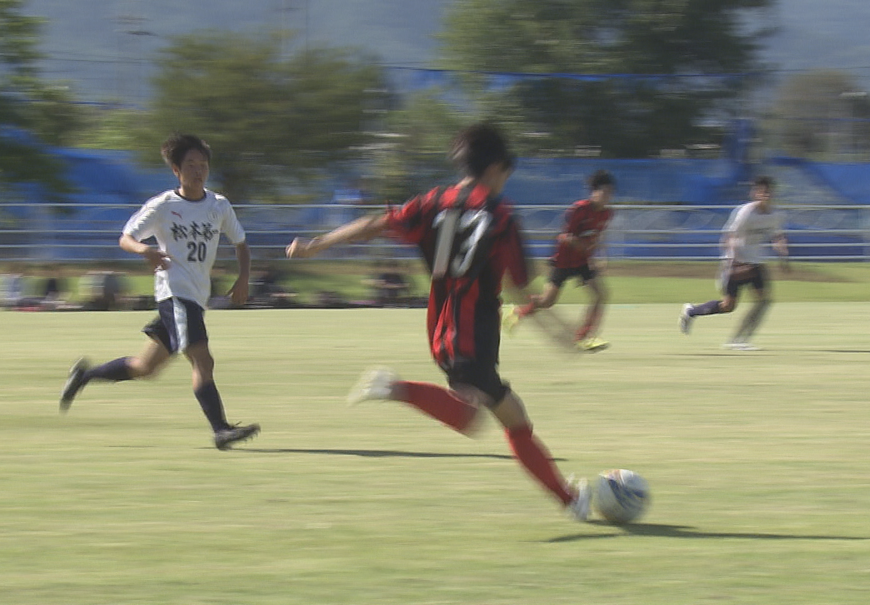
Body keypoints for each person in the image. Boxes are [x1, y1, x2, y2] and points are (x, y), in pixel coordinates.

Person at [285, 123, 592, 521]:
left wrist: (316, 245)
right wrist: (560, 334)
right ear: (497, 167)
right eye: (506, 174)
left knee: (510, 416)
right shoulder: (501, 216)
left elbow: (375, 223)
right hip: (474, 332)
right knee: (478, 416)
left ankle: (571, 501)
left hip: (441, 329)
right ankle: (395, 388)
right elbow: (519, 290)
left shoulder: (434, 201)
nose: (504, 182)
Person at [60, 134, 260, 450]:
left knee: (145, 368)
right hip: (175, 293)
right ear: (176, 170)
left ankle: (84, 376)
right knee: (202, 361)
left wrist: (244, 277)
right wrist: (145, 251)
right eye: (191, 164)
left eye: (203, 164)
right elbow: (125, 238)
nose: (199, 170)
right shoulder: (163, 206)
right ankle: (220, 429)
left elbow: (241, 243)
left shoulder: (218, 205)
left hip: (196, 295)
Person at [502, 169, 615, 352]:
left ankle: (584, 337)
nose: (607, 196)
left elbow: (598, 237)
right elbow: (564, 236)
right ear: (594, 192)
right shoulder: (579, 209)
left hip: (583, 262)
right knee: (547, 301)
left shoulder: (607, 214)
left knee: (601, 294)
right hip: (564, 262)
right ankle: (518, 311)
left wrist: (601, 257)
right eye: (604, 192)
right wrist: (581, 245)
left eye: (610, 193)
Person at [679, 176, 789, 350]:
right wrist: (734, 261)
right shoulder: (746, 213)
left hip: (755, 263)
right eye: (761, 191)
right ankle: (691, 311)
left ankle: (739, 340)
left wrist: (783, 254)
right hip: (735, 262)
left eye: (768, 191)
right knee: (728, 306)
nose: (765, 194)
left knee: (764, 301)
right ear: (754, 193)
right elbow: (729, 236)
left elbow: (777, 235)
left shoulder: (775, 214)